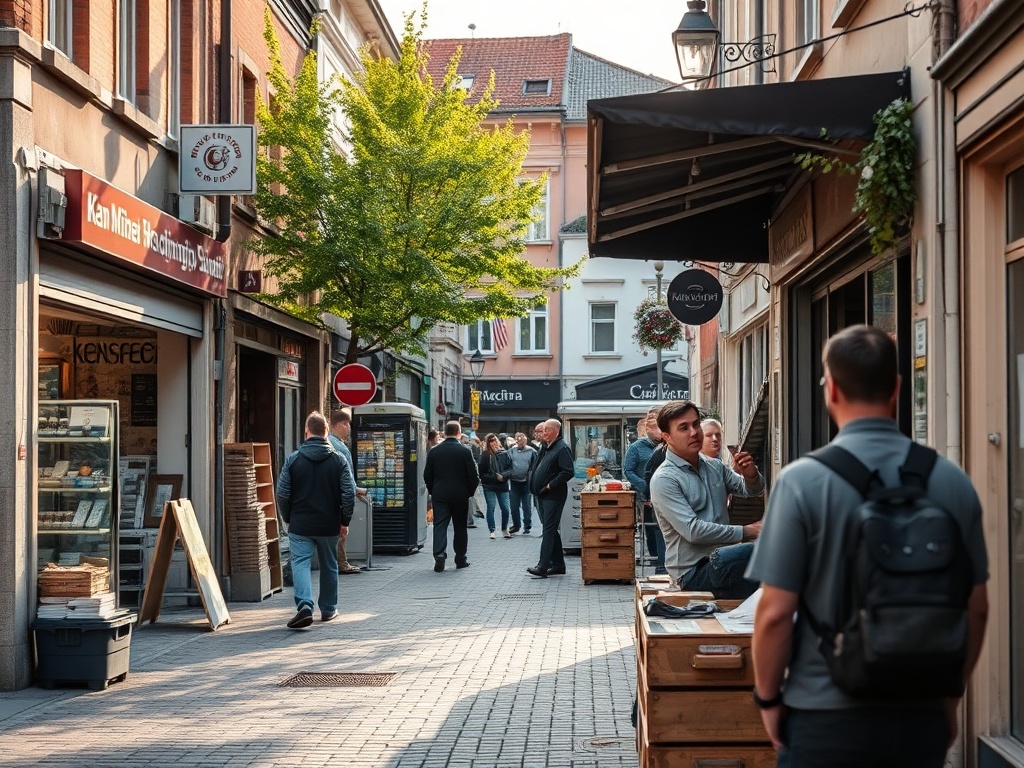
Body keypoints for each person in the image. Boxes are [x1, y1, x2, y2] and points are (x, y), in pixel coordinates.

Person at [746, 325, 989, 767]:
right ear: (896, 388)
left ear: (832, 389)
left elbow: (776, 612)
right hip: (919, 712)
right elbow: (977, 608)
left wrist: (768, 699)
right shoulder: (951, 480)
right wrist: (949, 698)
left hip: (824, 713)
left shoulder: (801, 482)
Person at [648, 400, 764, 597]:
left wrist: (751, 475)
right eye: (683, 428)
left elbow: (750, 490)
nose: (694, 432)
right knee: (758, 551)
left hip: (723, 560)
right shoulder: (664, 479)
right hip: (693, 572)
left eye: (696, 424)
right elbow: (693, 531)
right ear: (667, 436)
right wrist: (748, 531)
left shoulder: (714, 466)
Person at [278, 411, 355, 629]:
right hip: (329, 524)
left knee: (300, 562)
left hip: (300, 524)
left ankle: (304, 605)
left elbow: (282, 493)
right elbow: (348, 494)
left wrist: (288, 517)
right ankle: (329, 609)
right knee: (329, 564)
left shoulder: (293, 459)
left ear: (307, 432)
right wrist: (344, 521)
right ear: (326, 432)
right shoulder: (338, 460)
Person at [422, 420, 479, 572]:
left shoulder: (434, 451)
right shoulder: (465, 451)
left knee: (440, 525)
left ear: (445, 432)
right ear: (459, 433)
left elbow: (427, 475)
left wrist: (433, 490)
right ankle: (460, 559)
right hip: (460, 495)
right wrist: (469, 492)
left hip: (440, 494)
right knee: (460, 527)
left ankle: (439, 556)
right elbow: (473, 476)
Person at [527, 418, 574, 578]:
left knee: (548, 530)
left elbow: (568, 471)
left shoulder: (562, 448)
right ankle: (558, 564)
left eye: (547, 430)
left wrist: (549, 485)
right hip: (541, 495)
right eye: (543, 430)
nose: (544, 433)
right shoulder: (547, 447)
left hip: (553, 495)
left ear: (556, 431)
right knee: (550, 529)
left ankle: (542, 565)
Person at [623, 407, 666, 574]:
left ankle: (663, 562)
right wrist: (645, 486)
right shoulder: (636, 448)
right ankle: (657, 560)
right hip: (646, 496)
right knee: (652, 528)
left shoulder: (667, 446)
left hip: (665, 493)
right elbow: (628, 471)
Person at [328, 410, 365, 575]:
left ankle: (339, 562)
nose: (349, 428)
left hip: (332, 493)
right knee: (342, 529)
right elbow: (346, 473)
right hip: (340, 494)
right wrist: (354, 489)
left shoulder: (332, 443)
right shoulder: (339, 447)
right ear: (338, 425)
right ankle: (341, 563)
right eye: (346, 424)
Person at [479, 433, 513, 539]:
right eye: (491, 441)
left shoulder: (504, 453)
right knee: (491, 507)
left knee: (505, 508)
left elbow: (510, 468)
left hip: (502, 484)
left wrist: (503, 476)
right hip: (489, 485)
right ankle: (492, 530)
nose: (493, 443)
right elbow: (482, 473)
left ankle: (504, 528)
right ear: (487, 443)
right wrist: (495, 477)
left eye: (494, 440)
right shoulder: (485, 455)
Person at [507, 432, 537, 535]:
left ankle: (527, 525)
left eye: (522, 439)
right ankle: (516, 525)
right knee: (514, 506)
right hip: (514, 482)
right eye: (518, 439)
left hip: (526, 483)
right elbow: (507, 463)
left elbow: (534, 466)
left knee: (526, 505)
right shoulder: (511, 451)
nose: (519, 441)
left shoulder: (532, 451)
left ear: (526, 440)